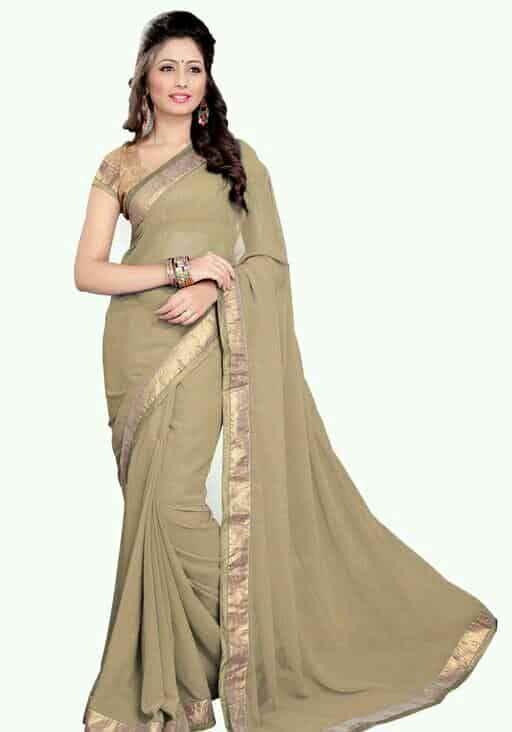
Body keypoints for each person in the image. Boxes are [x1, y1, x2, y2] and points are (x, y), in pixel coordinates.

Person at [76, 10, 497, 732]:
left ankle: (283, 637)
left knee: (174, 511)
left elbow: (268, 260)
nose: (181, 80)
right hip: (134, 352)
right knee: (150, 514)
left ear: (208, 81)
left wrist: (213, 287)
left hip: (204, 346)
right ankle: (195, 679)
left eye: (194, 68)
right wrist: (180, 270)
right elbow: (88, 271)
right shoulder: (118, 165)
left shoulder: (237, 160)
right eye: (168, 66)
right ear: (144, 77)